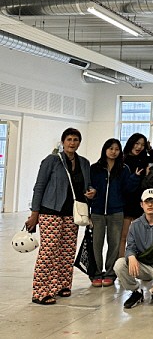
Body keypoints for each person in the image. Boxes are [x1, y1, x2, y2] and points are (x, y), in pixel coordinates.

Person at [25, 128, 96, 305]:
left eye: (76, 140)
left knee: (67, 250)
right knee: (49, 250)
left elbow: (87, 185)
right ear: (63, 142)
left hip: (72, 213)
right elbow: (39, 186)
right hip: (50, 211)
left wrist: (91, 192)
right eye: (69, 139)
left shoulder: (84, 163)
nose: (72, 143)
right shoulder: (51, 161)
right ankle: (40, 291)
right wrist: (34, 213)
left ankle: (62, 285)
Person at [114, 188, 153, 309]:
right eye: (147, 201)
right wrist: (131, 256)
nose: (150, 205)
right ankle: (136, 292)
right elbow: (130, 246)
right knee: (120, 264)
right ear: (141, 204)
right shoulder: (135, 225)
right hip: (142, 266)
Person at [89, 138, 141, 288]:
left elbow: (127, 189)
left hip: (116, 211)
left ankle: (110, 273)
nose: (113, 152)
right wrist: (91, 193)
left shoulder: (123, 168)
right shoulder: (95, 168)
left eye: (117, 149)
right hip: (97, 211)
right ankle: (96, 273)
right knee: (96, 244)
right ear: (105, 149)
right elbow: (89, 185)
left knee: (114, 244)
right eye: (111, 148)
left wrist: (135, 178)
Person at [120, 133, 152, 257]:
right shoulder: (123, 160)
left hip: (140, 200)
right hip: (126, 201)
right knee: (123, 236)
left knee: (139, 237)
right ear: (131, 143)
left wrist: (149, 149)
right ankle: (120, 261)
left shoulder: (144, 160)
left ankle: (138, 262)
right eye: (137, 143)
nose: (139, 147)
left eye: (142, 145)